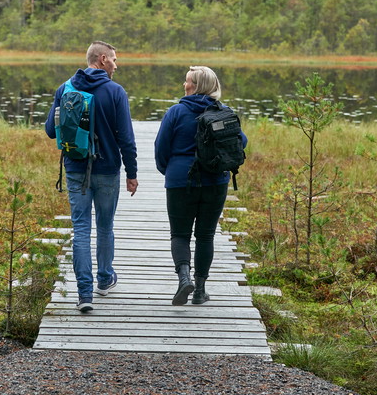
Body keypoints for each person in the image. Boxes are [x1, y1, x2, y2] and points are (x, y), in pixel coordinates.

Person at [45, 41, 138, 313]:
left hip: (75, 169)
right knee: (105, 226)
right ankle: (105, 279)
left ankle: (84, 294)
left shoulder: (65, 88)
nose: (116, 65)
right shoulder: (115, 92)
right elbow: (127, 140)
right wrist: (131, 173)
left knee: (81, 229)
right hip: (108, 170)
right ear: (101, 59)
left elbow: (51, 131)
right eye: (114, 60)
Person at [154, 66, 247, 306]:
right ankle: (200, 291)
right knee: (205, 236)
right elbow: (240, 142)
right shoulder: (225, 113)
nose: (184, 85)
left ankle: (184, 278)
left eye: (188, 82)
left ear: (197, 86)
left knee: (179, 234)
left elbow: (160, 148)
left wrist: (171, 172)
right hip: (215, 180)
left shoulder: (175, 112)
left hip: (180, 181)